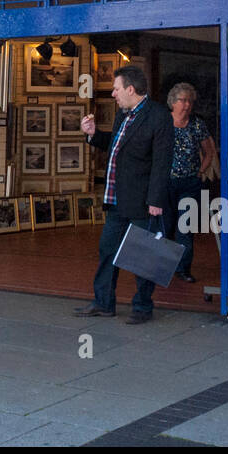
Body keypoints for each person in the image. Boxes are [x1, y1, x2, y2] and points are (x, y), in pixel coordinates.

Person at [75, 65, 173, 324]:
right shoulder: (123, 114)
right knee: (107, 251)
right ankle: (103, 303)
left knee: (143, 257)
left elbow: (162, 162)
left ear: (131, 89)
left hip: (142, 201)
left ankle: (142, 308)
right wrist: (93, 135)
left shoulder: (159, 116)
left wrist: (155, 201)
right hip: (116, 199)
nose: (113, 94)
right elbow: (117, 145)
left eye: (116, 89)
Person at [165, 82, 217, 283]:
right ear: (173, 102)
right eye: (182, 100)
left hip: (190, 183)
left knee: (185, 227)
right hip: (166, 183)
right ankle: (164, 266)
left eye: (189, 101)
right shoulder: (163, 122)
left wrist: (200, 171)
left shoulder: (197, 124)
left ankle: (183, 269)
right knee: (165, 226)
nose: (186, 105)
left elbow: (209, 151)